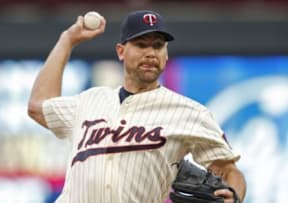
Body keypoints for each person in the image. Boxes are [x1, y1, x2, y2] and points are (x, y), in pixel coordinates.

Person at [28, 10, 246, 203]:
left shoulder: (190, 112)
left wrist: (234, 195)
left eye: (158, 46)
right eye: (141, 44)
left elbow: (228, 171)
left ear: (166, 54)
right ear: (121, 51)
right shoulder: (88, 101)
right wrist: (66, 41)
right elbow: (38, 106)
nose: (151, 53)